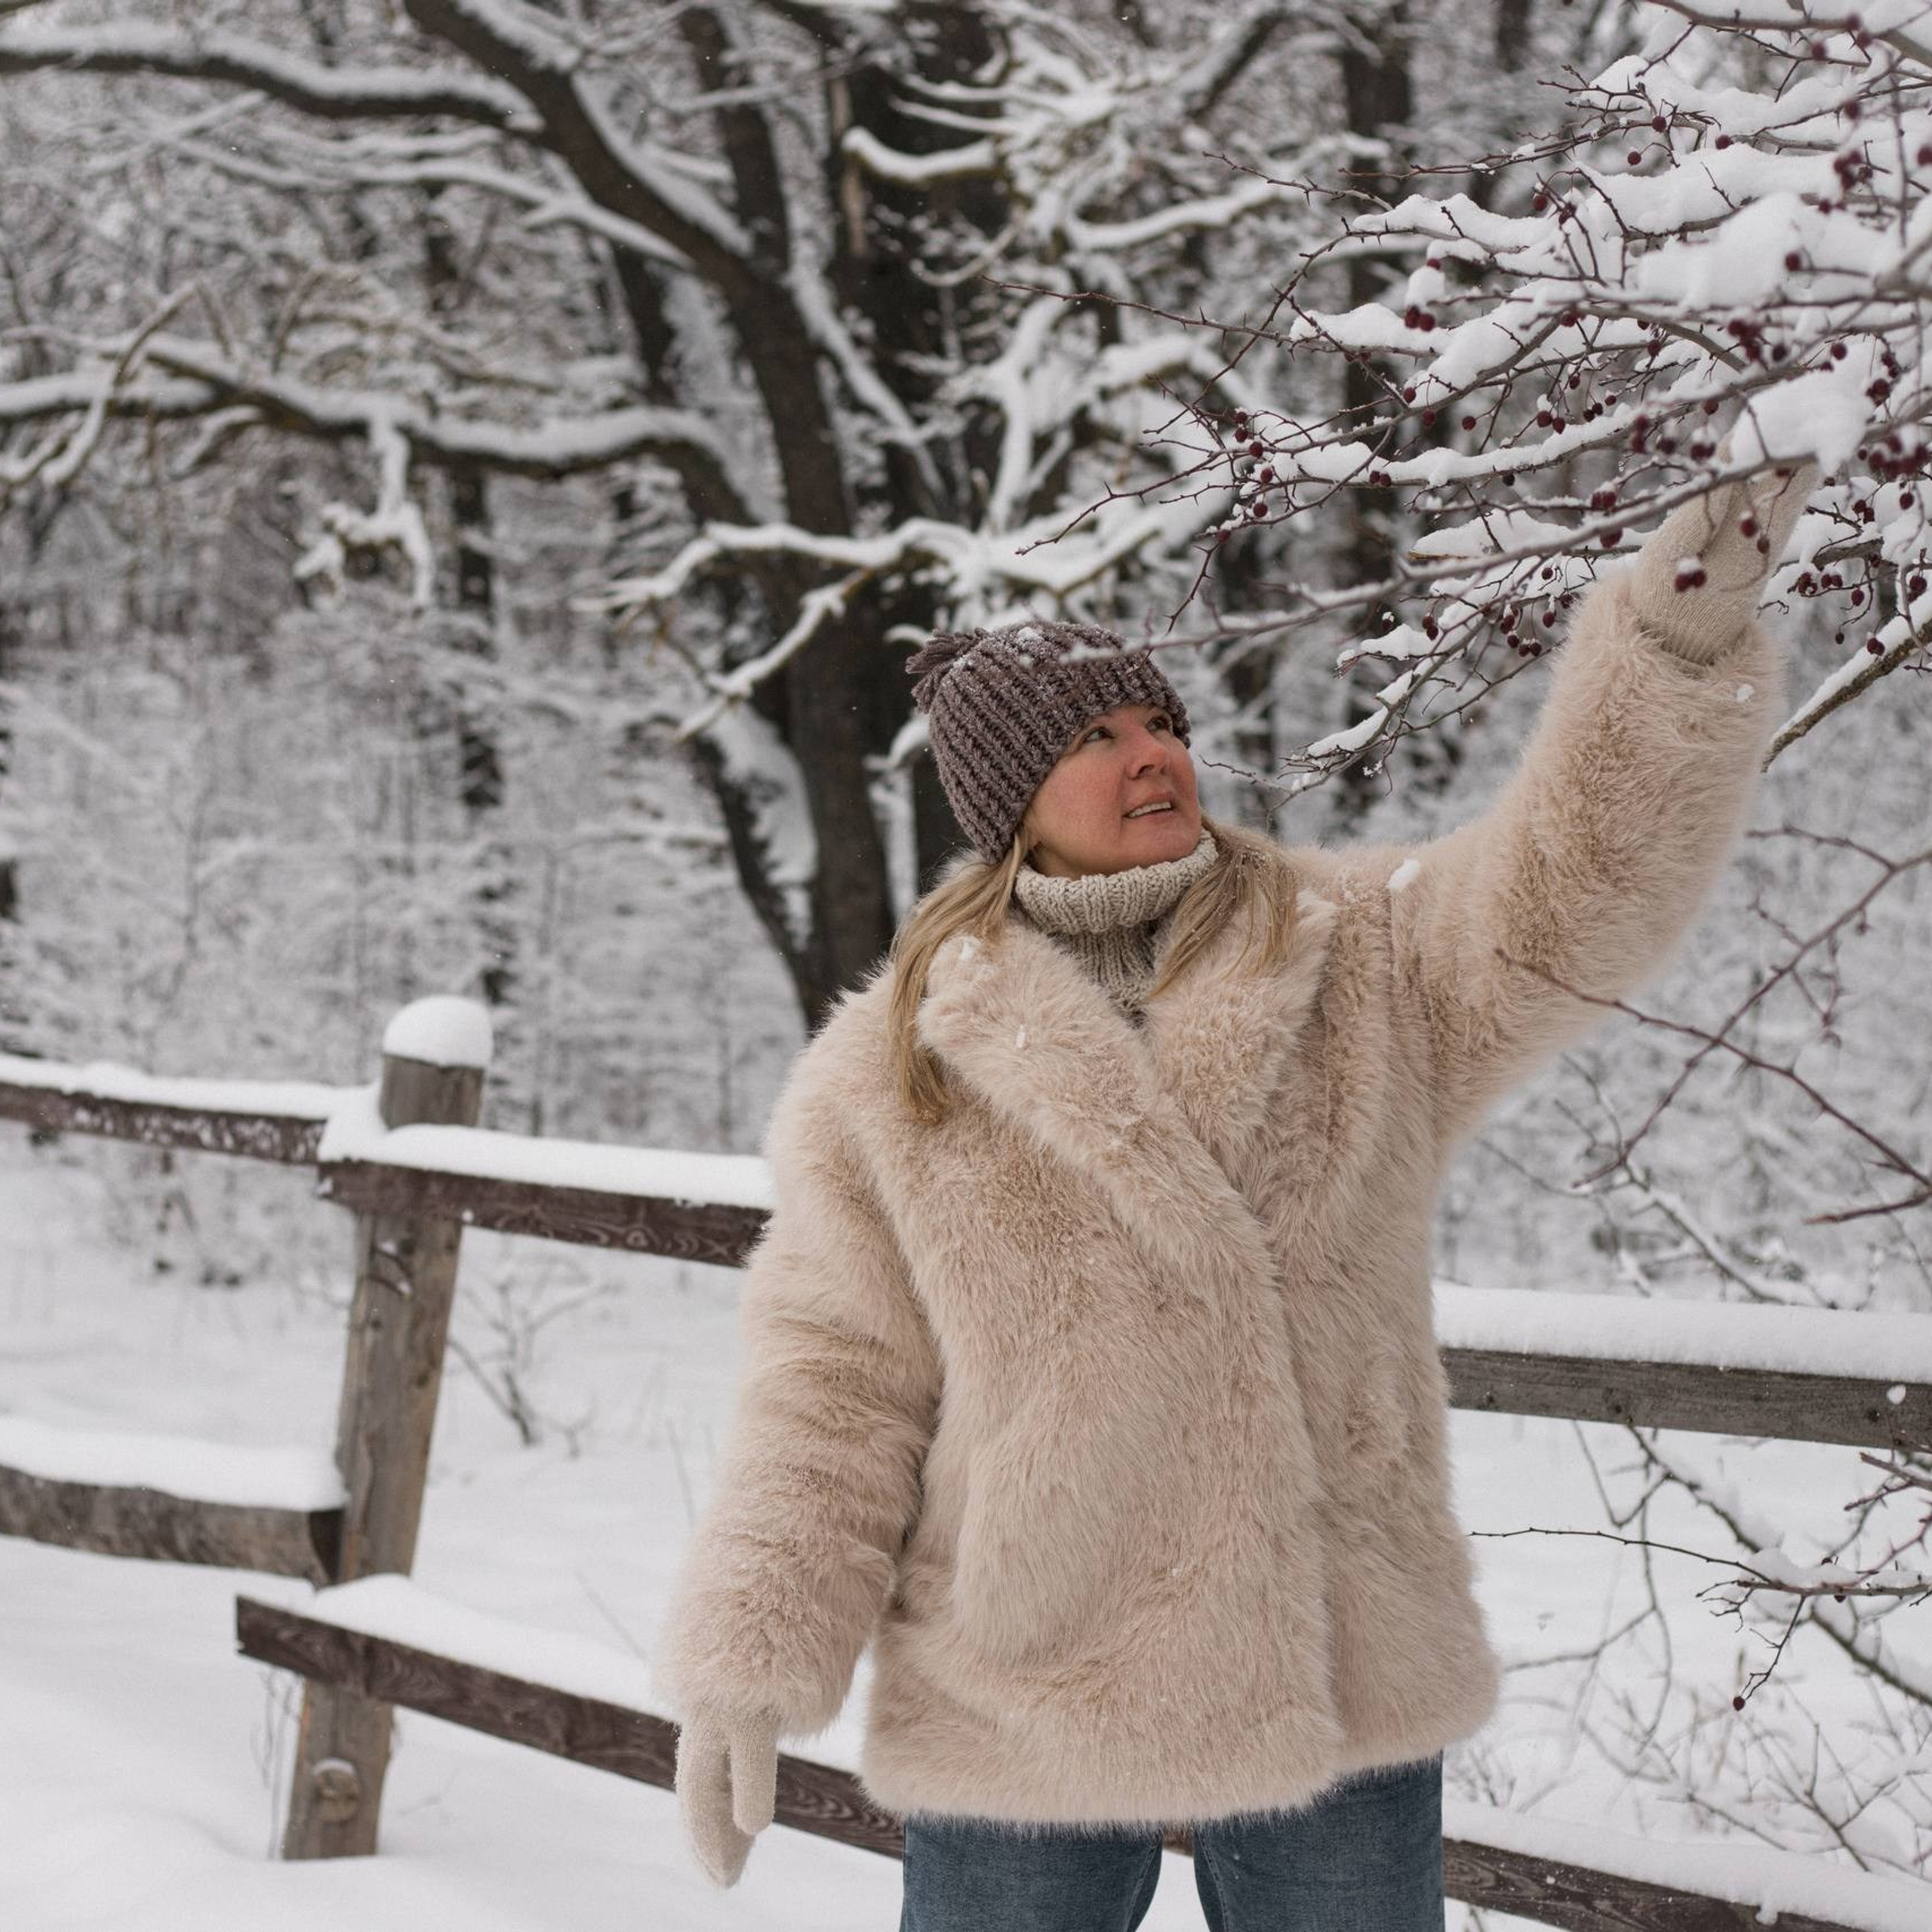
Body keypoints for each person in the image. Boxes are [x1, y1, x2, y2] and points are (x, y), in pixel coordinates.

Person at [648, 456, 1815, 1930]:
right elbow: (833, 1386)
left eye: (1163, 724)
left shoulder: (1359, 957)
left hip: (1326, 1643)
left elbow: (1572, 890)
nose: (1152, 755)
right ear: (1010, 803)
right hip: (1022, 1667)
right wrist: (748, 1662)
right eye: (1096, 736)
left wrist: (1667, 647)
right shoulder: (893, 1066)